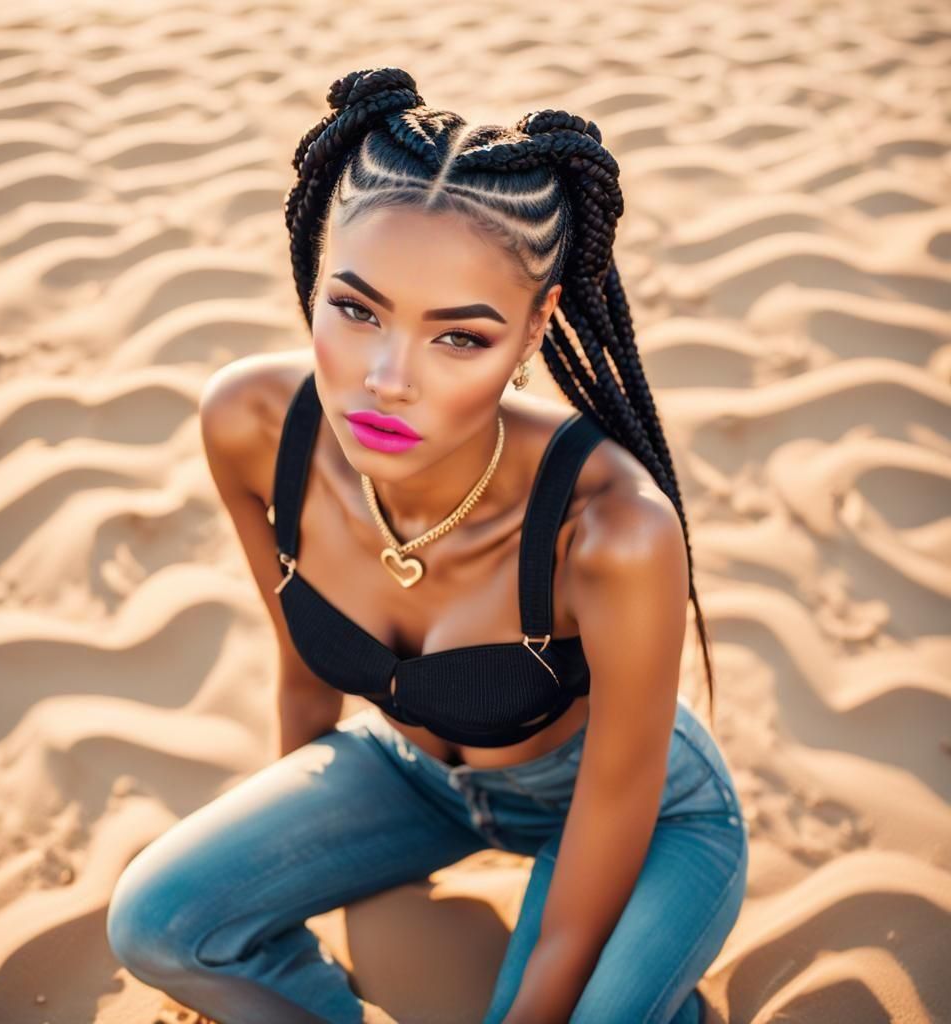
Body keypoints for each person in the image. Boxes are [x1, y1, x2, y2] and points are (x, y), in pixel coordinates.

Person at [105, 66, 748, 1024]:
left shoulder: (614, 531)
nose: (387, 379)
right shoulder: (251, 424)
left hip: (635, 815)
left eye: (459, 338)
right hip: (410, 776)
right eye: (356, 310)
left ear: (536, 326)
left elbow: (617, 799)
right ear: (313, 280)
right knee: (155, 924)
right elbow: (302, 672)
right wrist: (321, 882)